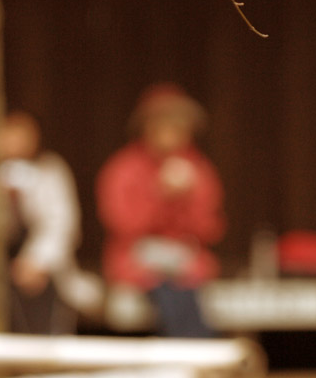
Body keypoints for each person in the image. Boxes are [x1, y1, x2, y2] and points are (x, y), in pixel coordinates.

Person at [96, 83, 226, 337]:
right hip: (137, 258)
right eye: (164, 124)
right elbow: (121, 224)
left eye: (179, 125)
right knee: (166, 289)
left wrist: (188, 196)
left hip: (185, 261)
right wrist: (159, 195)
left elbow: (211, 229)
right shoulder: (124, 168)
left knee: (183, 287)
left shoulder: (197, 168)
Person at [0, 110, 101, 334]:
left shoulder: (50, 171)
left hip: (43, 270)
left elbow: (62, 224)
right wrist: (1, 199)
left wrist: (36, 261)